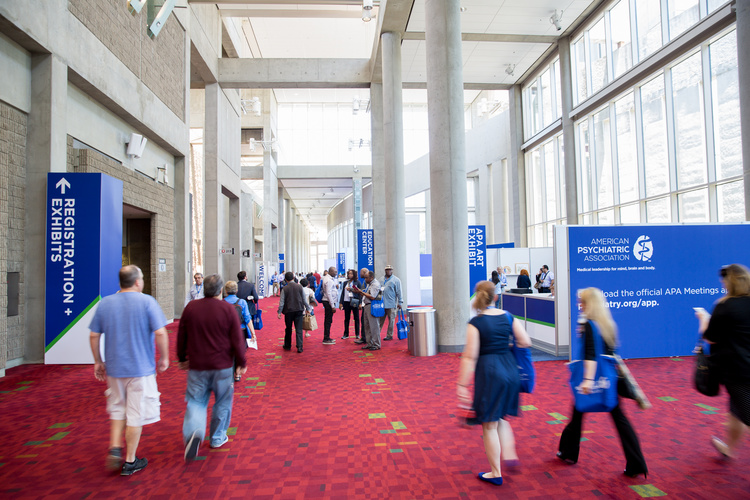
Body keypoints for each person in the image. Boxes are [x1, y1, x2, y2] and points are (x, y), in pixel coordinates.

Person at [557, 287, 648, 478]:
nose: (578, 304)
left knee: (577, 414)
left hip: (593, 379)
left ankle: (568, 452)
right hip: (609, 380)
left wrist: (588, 381)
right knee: (619, 420)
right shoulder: (607, 324)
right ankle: (636, 462)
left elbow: (590, 355)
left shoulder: (590, 325)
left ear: (589, 304)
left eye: (581, 301)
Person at [88, 265, 169, 476]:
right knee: (135, 413)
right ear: (137, 282)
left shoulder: (106, 303)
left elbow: (94, 335)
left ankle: (115, 445)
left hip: (115, 368)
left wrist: (98, 361)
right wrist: (164, 357)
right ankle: (130, 460)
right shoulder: (147, 301)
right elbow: (160, 333)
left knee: (117, 407)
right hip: (140, 368)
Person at [456, 281, 531, 486]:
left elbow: (470, 356)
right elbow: (525, 341)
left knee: (489, 424)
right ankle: (509, 454)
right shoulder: (508, 316)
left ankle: (495, 472)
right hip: (510, 369)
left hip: (489, 373)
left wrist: (462, 385)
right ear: (495, 297)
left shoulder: (476, 323)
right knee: (501, 416)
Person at [178, 274, 247, 460]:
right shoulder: (227, 309)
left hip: (197, 365)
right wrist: (241, 362)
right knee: (223, 402)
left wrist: (181, 357)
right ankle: (217, 437)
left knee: (196, 401)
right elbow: (237, 339)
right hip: (223, 366)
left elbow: (182, 333)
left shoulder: (191, 308)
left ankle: (195, 432)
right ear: (220, 291)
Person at [697, 263, 750, 459]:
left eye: (725, 279)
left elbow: (710, 337)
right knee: (736, 411)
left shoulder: (724, 305)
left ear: (731, 282)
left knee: (745, 412)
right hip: (742, 368)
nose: (722, 283)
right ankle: (729, 449)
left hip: (738, 370)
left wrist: (704, 319)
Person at [278, 272, 306, 353]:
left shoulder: (284, 289)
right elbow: (304, 299)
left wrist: (279, 312)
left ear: (285, 279)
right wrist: (308, 308)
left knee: (288, 328)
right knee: (299, 329)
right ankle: (299, 346)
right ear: (294, 278)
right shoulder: (300, 287)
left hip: (288, 311)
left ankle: (287, 345)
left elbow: (282, 302)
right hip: (299, 310)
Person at [357, 271, 383, 351]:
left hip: (372, 305)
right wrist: (359, 291)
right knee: (367, 326)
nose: (365, 279)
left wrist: (361, 292)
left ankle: (376, 344)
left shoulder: (375, 284)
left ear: (371, 277)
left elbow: (372, 296)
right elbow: (367, 293)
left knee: (374, 326)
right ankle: (369, 343)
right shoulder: (370, 284)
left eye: (366, 277)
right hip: (367, 306)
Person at [380, 265, 404, 341]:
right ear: (385, 270)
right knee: (380, 320)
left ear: (392, 271)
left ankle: (389, 335)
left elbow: (399, 292)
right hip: (382, 304)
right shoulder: (381, 279)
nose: (388, 271)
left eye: (390, 270)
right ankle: (377, 334)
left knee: (391, 321)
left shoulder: (396, 280)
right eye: (387, 270)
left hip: (391, 304)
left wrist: (400, 302)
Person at [340, 269, 363, 340]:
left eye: (351, 274)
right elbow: (343, 293)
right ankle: (346, 334)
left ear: (354, 275)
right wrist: (341, 302)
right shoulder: (345, 283)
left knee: (356, 318)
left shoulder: (357, 282)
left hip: (355, 301)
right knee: (346, 318)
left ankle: (357, 334)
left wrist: (360, 303)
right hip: (346, 301)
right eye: (349, 274)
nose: (350, 275)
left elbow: (360, 294)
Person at [321, 266, 339, 345]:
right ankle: (326, 338)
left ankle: (327, 337)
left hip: (327, 301)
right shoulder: (329, 280)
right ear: (330, 272)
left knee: (328, 320)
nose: (336, 273)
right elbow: (328, 293)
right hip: (328, 302)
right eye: (335, 272)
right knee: (328, 321)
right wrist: (333, 306)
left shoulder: (327, 278)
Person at [353, 267, 370, 344]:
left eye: (361, 272)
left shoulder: (368, 282)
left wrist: (359, 291)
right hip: (365, 303)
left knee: (366, 322)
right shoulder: (364, 282)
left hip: (368, 304)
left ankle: (366, 338)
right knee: (363, 321)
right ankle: (364, 338)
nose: (360, 274)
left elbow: (367, 293)